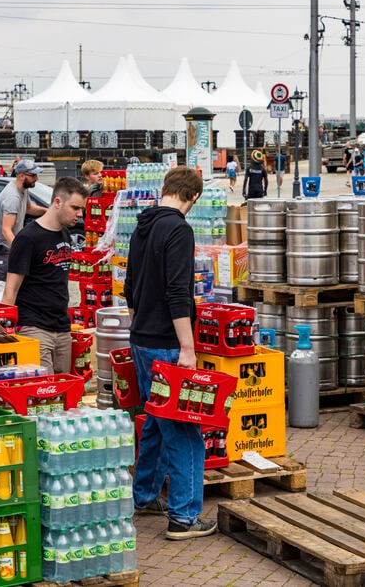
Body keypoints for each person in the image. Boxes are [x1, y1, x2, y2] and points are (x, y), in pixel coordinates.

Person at [125, 165, 217, 541]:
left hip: (142, 338)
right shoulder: (178, 230)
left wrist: (139, 327)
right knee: (185, 430)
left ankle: (145, 495)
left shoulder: (142, 226)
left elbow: (130, 287)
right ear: (193, 198)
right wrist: (187, 347)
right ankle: (184, 516)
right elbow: (178, 293)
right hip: (166, 342)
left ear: (164, 188)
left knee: (156, 423)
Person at [2, 177, 88, 373]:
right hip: (35, 328)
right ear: (57, 202)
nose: (80, 214)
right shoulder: (27, 238)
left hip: (62, 327)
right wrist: (6, 333)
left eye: (81, 209)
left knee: (63, 392)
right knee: (43, 391)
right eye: (75, 208)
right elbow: (11, 289)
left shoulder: (64, 234)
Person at [0, 159, 47, 281]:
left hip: (5, 244)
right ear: (21, 175)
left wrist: (47, 212)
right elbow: (6, 230)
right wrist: (20, 249)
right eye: (33, 175)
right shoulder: (13, 197)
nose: (37, 178)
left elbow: (29, 208)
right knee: (5, 283)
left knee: (15, 281)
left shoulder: (22, 189)